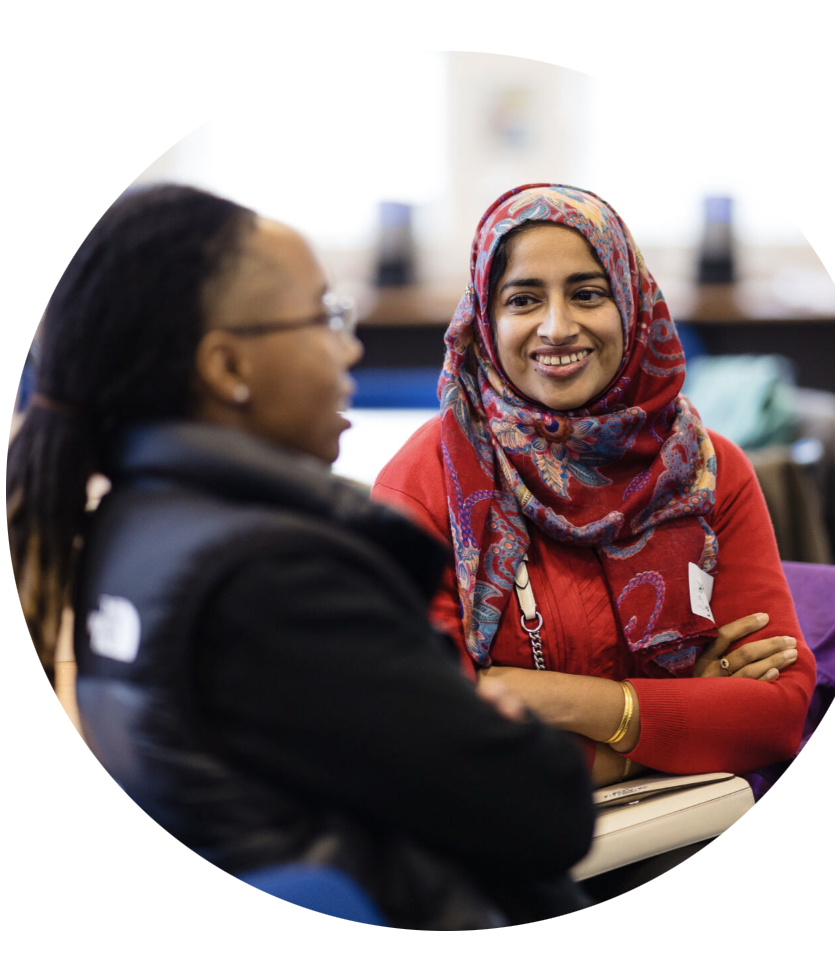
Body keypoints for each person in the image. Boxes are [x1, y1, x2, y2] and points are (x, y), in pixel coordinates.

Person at [5, 184, 604, 930]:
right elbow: (548, 814)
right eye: (324, 317)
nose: (349, 344)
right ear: (228, 367)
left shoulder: (131, 526)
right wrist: (498, 726)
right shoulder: (275, 576)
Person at [372, 183, 818, 929]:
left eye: (586, 292)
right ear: (484, 320)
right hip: (485, 840)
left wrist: (559, 700)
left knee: (722, 924)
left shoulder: (706, 470)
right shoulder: (427, 483)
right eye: (522, 299)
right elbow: (437, 744)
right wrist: (661, 728)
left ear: (632, 304)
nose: (557, 326)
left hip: (667, 827)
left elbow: (774, 715)